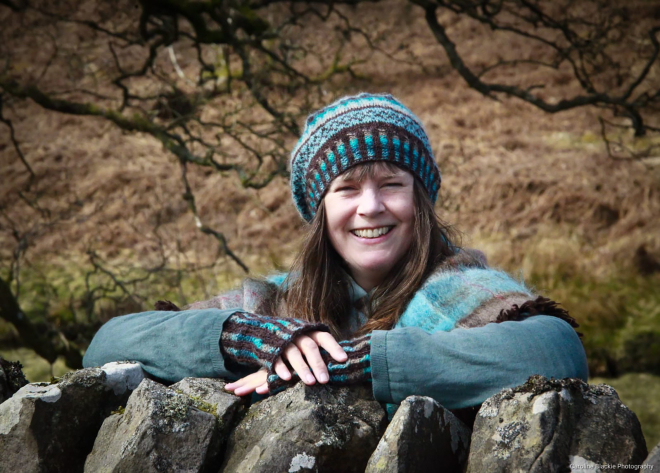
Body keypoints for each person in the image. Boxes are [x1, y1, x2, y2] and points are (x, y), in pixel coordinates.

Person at [83, 93, 588, 423]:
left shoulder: (467, 289)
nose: (371, 206)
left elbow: (556, 348)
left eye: (392, 184)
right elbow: (106, 346)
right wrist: (244, 337)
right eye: (347, 188)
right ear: (321, 210)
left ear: (420, 200)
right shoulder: (270, 301)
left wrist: (356, 363)